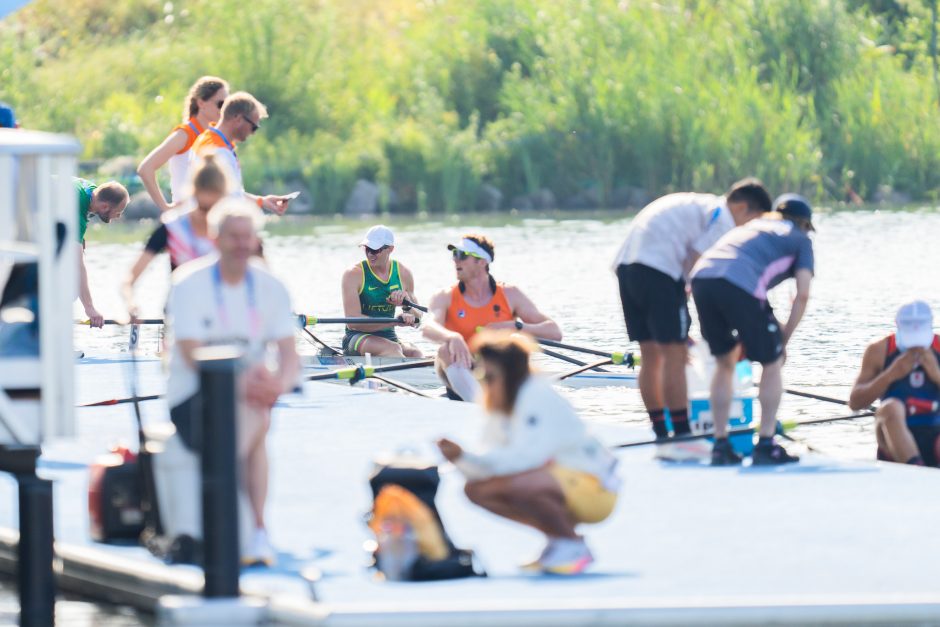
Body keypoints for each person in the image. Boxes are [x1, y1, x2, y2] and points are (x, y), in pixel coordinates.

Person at [165, 197, 299, 565]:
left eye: (247, 237)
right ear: (215, 237)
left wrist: (279, 385)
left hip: (250, 400)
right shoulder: (188, 283)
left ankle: (248, 526)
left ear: (256, 240)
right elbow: (192, 355)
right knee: (258, 417)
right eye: (233, 237)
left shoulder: (271, 287)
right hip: (193, 398)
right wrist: (252, 388)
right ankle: (252, 529)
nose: (241, 244)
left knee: (257, 413)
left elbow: (289, 356)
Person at [436, 331, 619, 575]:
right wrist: (461, 459)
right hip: (562, 481)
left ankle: (572, 544)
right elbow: (491, 459)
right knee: (477, 490)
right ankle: (559, 539)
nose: (482, 380)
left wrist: (467, 459)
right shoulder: (502, 405)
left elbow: (524, 459)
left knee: (519, 482)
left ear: (509, 375)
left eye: (489, 375)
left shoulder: (537, 396)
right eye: (481, 374)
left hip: (597, 490)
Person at [612, 178, 772, 443]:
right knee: (674, 354)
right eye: (753, 222)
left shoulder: (702, 206)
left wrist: (683, 323)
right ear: (743, 208)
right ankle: (683, 435)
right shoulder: (723, 220)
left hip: (627, 268)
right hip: (659, 270)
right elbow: (702, 267)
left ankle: (662, 432)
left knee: (651, 356)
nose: (749, 231)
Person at [690, 193, 815, 466]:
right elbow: (803, 294)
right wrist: (784, 340)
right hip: (738, 284)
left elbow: (748, 274)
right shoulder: (801, 240)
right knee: (771, 361)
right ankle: (766, 445)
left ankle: (720, 446)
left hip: (702, 279)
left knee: (725, 362)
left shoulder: (752, 227)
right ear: (805, 224)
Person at [421, 234, 562, 401]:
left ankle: (497, 402)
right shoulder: (445, 296)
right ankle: (482, 406)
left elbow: (554, 332)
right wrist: (452, 336)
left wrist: (514, 326)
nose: (455, 261)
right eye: (454, 255)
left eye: (462, 255)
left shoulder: (510, 295)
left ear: (482, 262)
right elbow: (428, 327)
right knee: (445, 350)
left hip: (499, 371)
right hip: (465, 369)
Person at [123, 154, 246, 318]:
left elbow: (263, 274)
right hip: (181, 313)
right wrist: (131, 303)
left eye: (214, 208)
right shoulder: (173, 227)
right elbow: (130, 278)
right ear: (193, 194)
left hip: (225, 314)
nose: (208, 216)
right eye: (203, 208)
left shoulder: (237, 228)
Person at [849, 301, 940, 467]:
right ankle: (917, 469)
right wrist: (890, 374)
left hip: (935, 433)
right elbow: (855, 403)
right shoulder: (878, 350)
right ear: (897, 326)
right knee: (890, 406)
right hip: (892, 433)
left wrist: (936, 375)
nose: (916, 346)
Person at [137, 76, 229, 213]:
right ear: (201, 103)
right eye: (221, 104)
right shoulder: (184, 134)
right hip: (186, 219)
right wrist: (165, 208)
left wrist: (260, 201)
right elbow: (145, 169)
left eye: (228, 104)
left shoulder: (215, 136)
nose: (225, 109)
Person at [190, 91, 292, 215]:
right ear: (238, 119)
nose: (254, 132)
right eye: (254, 127)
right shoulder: (218, 151)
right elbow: (226, 199)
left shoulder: (212, 138)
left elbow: (231, 192)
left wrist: (262, 202)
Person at [340, 225, 422, 357]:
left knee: (415, 353)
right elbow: (353, 322)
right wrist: (394, 321)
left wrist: (406, 307)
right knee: (394, 350)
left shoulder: (403, 273)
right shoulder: (353, 274)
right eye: (367, 249)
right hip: (356, 338)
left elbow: (418, 318)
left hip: (389, 337)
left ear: (390, 249)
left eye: (375, 250)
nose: (370, 254)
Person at [75, 177, 129, 328]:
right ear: (105, 207)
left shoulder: (93, 191)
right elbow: (77, 266)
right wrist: (90, 308)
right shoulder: (75, 210)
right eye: (118, 212)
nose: (118, 217)